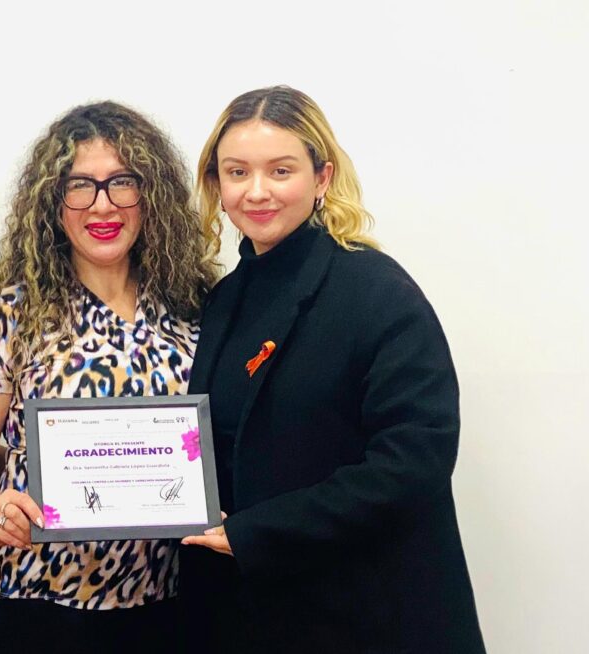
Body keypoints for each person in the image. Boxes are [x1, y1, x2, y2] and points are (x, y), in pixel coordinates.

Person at [179, 85, 485, 652]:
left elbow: (415, 461)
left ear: (322, 178)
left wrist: (257, 533)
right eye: (237, 172)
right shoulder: (222, 301)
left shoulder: (377, 291)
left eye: (281, 170)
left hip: (370, 613)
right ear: (217, 186)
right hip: (259, 617)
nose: (257, 191)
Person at [0, 101, 220, 653]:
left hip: (173, 599)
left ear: (151, 194)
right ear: (53, 201)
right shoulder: (10, 315)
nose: (103, 204)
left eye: (122, 182)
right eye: (80, 186)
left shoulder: (196, 308)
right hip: (41, 602)